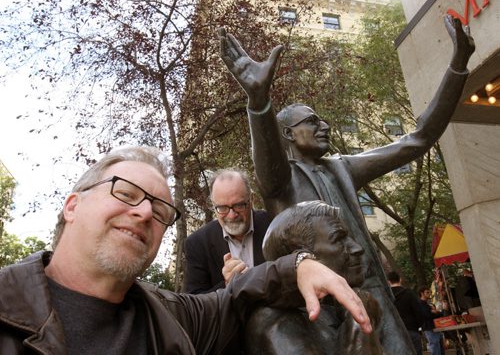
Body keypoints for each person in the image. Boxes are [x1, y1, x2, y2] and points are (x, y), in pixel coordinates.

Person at [219, 14, 475, 354]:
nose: (323, 125)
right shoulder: (281, 180)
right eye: (312, 122)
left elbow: (419, 139)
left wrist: (458, 64)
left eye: (321, 120)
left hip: (376, 298)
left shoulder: (342, 168)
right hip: (323, 306)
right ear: (288, 135)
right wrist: (259, 102)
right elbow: (267, 154)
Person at [0, 146, 372, 354]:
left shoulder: (169, 316)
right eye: (126, 194)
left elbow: (237, 298)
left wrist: (299, 265)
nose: (144, 212)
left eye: (160, 211)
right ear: (72, 205)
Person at [246, 201, 383, 355]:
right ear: (302, 255)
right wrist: (359, 320)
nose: (357, 248)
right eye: (339, 239)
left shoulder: (338, 307)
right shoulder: (273, 321)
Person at [183, 168, 270, 294]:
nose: (231, 215)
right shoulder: (197, 243)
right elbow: (194, 303)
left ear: (251, 200)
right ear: (213, 206)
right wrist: (227, 284)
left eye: (239, 205)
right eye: (222, 208)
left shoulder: (273, 223)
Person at [387, 271, 424, 355]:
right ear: (400, 280)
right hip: (411, 330)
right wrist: (418, 325)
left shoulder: (386, 296)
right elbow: (418, 311)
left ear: (388, 282)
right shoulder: (409, 293)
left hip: (394, 332)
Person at [419, 286, 445, 355]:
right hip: (429, 328)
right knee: (435, 348)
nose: (429, 294)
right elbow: (428, 315)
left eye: (430, 292)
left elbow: (440, 314)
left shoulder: (429, 304)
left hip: (435, 327)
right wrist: (434, 312)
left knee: (440, 348)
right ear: (422, 293)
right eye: (427, 292)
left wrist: (434, 312)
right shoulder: (420, 303)